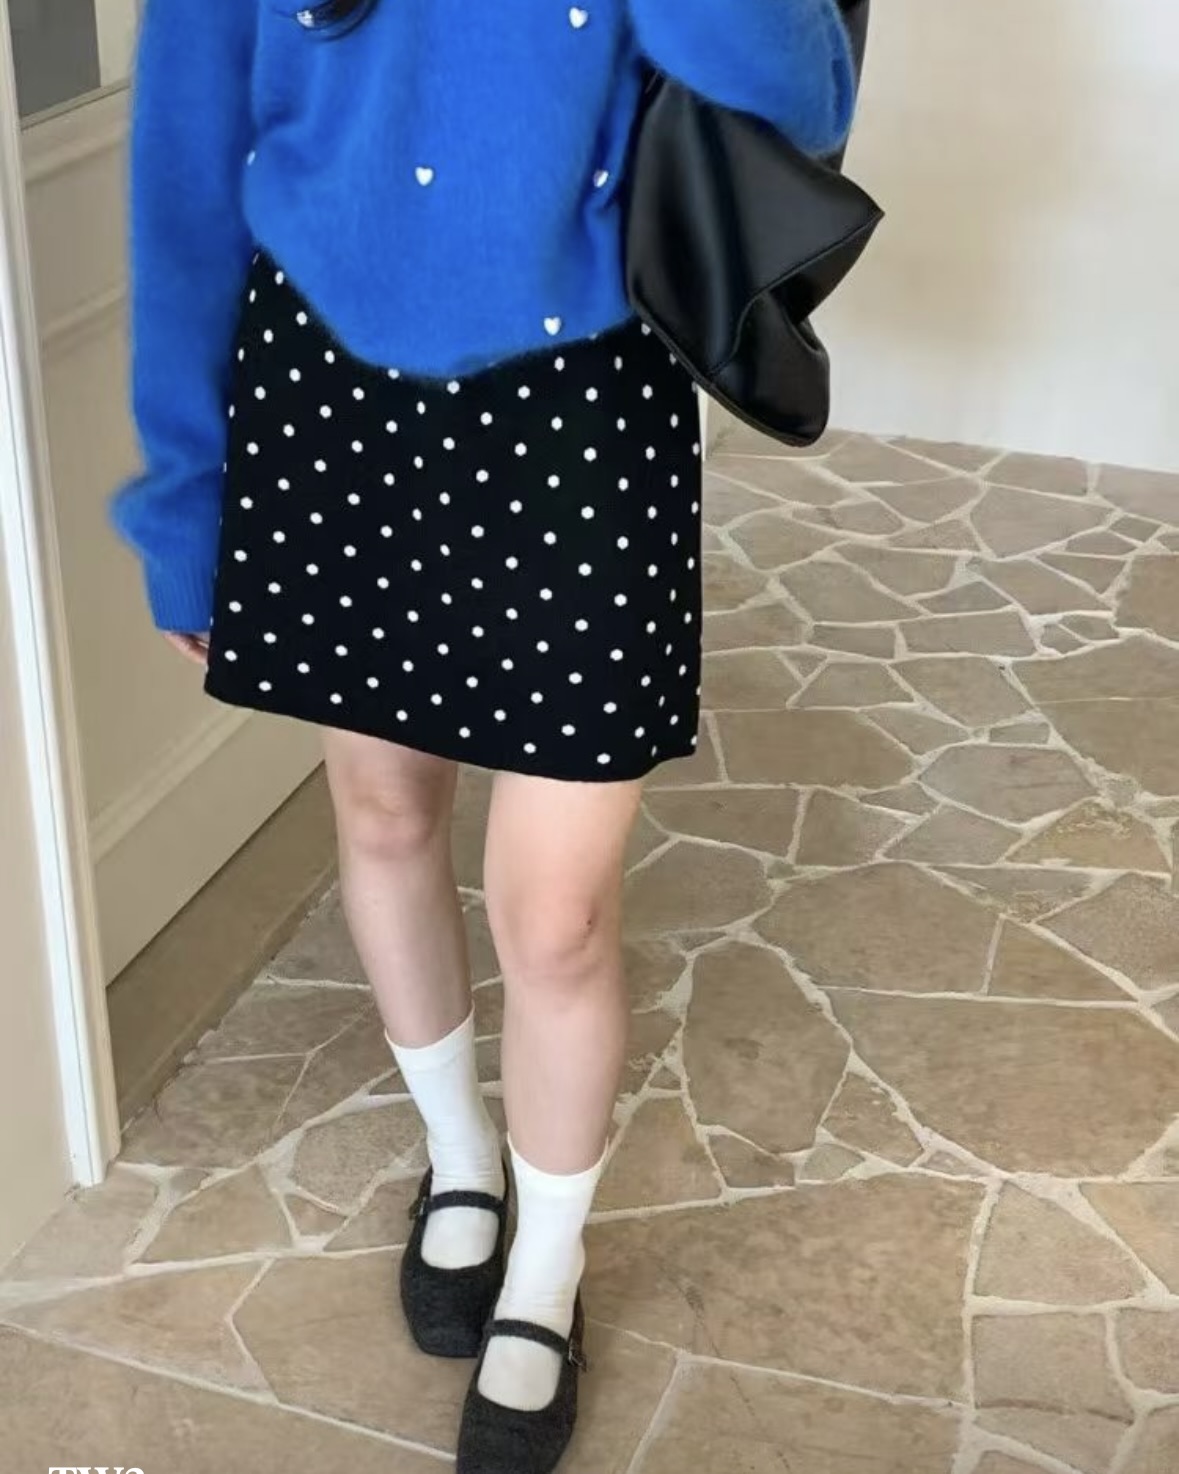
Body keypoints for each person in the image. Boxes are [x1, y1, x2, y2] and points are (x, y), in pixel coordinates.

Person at [113, 2, 855, 1468]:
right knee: (386, 819)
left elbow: (799, 92)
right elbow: (185, 168)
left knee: (558, 916)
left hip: (587, 405)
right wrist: (185, 499)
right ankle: (460, 1162)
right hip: (327, 391)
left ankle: (547, 1269)